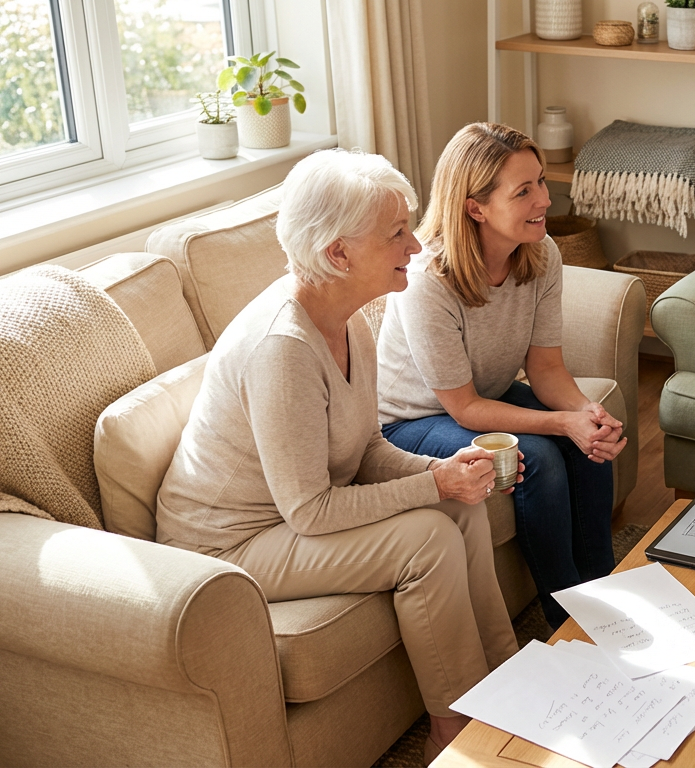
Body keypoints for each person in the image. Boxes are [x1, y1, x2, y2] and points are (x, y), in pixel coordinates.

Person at [156, 148, 520, 760]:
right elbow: (309, 511)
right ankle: (456, 732)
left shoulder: (349, 318)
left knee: (463, 507)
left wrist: (444, 474)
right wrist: (433, 487)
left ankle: (509, 679)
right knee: (425, 538)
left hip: (289, 513)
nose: (416, 246)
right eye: (396, 233)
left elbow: (366, 449)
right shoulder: (284, 349)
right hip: (228, 544)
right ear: (338, 253)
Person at [376, 122, 626, 630]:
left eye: (540, 181)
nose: (544, 199)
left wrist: (586, 415)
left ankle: (605, 594)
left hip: (483, 397)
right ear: (476, 207)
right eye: (524, 190)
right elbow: (464, 409)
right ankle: (569, 621)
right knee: (538, 458)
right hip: (413, 420)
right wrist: (561, 424)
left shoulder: (542, 253)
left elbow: (545, 367)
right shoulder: (428, 281)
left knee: (589, 443)